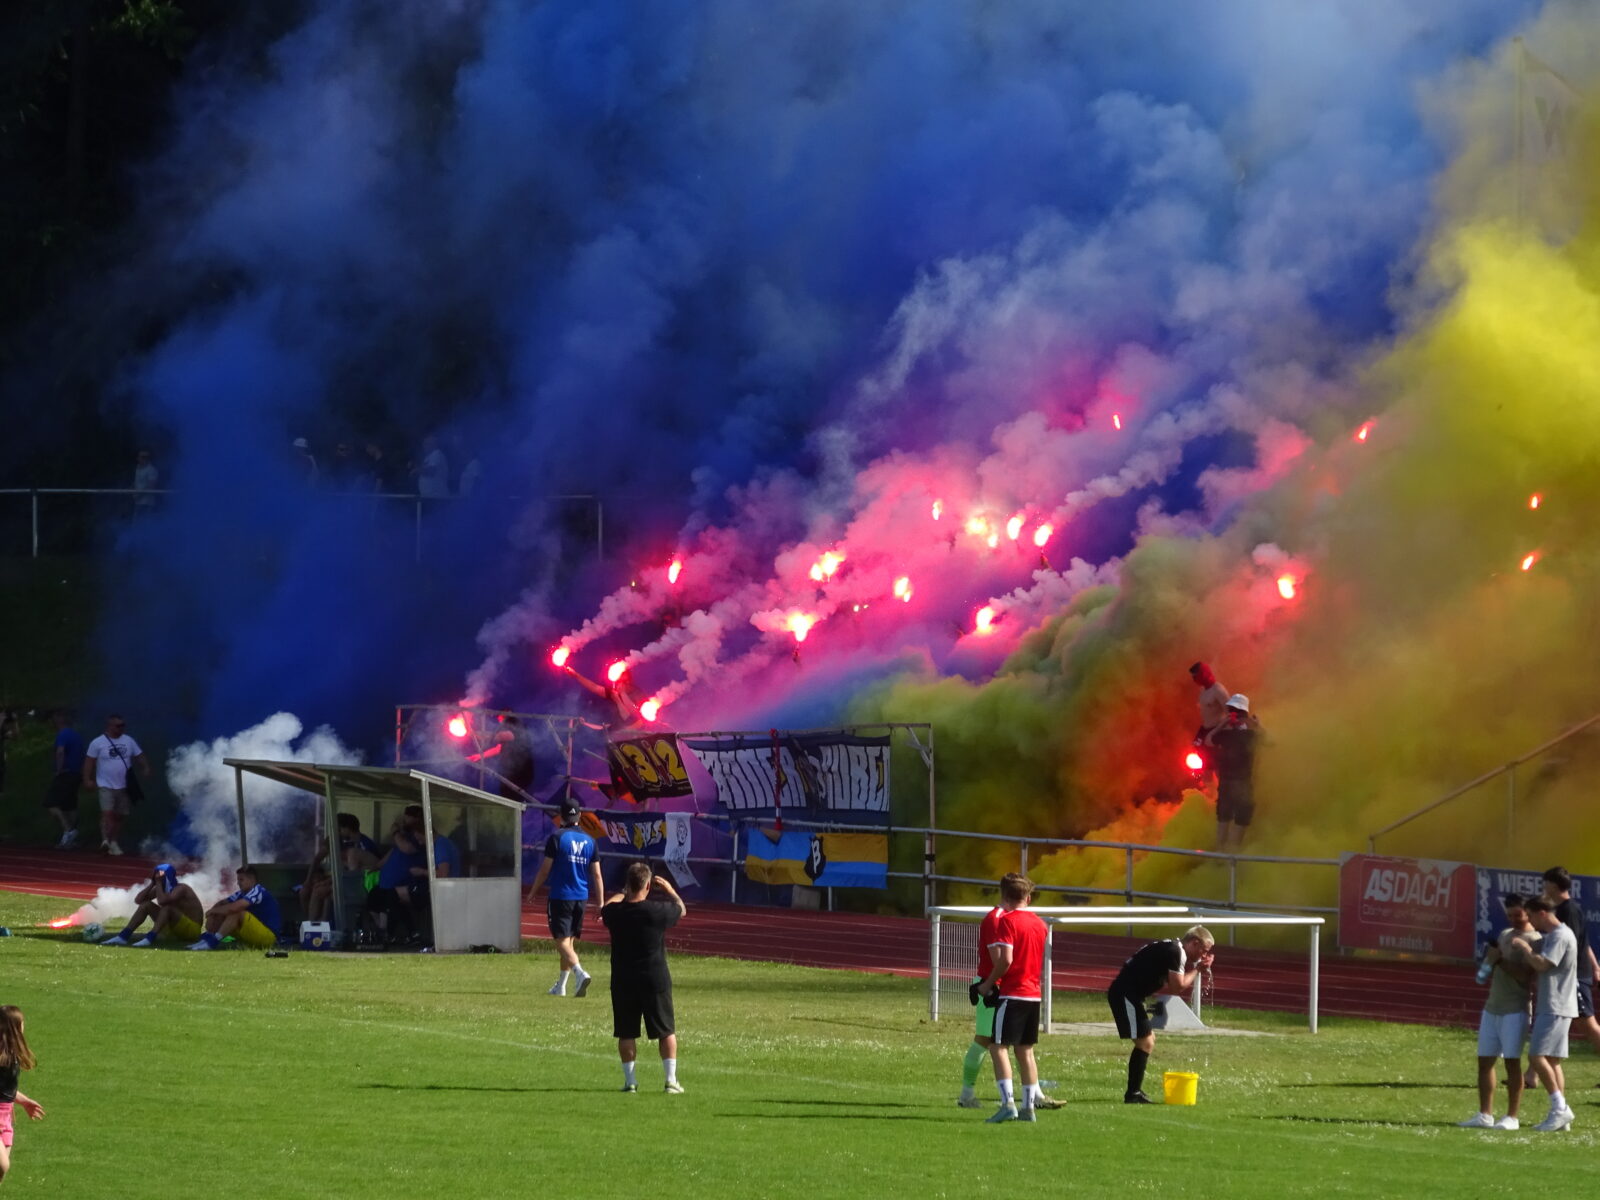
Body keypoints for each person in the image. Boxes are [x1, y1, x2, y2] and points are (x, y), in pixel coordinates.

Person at [601, 862, 686, 1093]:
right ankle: (670, 1080)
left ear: (629, 884)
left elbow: (605, 907)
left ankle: (630, 1082)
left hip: (623, 979)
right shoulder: (656, 911)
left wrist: (622, 892)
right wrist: (669, 890)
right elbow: (681, 908)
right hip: (654, 978)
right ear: (648, 885)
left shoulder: (615, 913)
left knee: (626, 1031)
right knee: (665, 1030)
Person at [973, 873, 1050, 1123]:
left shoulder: (1007, 921)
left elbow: (1005, 959)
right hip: (1034, 994)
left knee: (998, 1047)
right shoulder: (1040, 923)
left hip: (1013, 992)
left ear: (1004, 895)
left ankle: (1008, 1104)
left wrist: (986, 985)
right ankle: (1028, 1108)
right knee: (1025, 1051)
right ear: (1028, 897)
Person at [1107, 925, 1215, 1103]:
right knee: (1146, 1041)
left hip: (1129, 994)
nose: (1204, 955)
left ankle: (1134, 1092)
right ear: (1195, 943)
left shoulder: (1171, 947)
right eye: (1204, 950)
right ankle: (1132, 1093)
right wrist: (1198, 970)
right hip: (1126, 994)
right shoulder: (1176, 951)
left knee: (1148, 1041)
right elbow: (1177, 987)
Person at [1459, 893, 1539, 1130]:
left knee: (1512, 1063)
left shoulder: (1534, 940)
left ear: (1528, 913)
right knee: (1484, 1062)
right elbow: (1483, 974)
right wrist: (1489, 962)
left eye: (1519, 915)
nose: (1514, 919)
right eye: (1510, 915)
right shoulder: (1504, 935)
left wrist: (1499, 961)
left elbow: (1526, 976)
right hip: (1492, 1007)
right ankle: (1485, 1114)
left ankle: (1512, 1117)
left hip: (1515, 1009)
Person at [1509, 896, 1578, 1131]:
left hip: (1555, 1005)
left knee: (1537, 1057)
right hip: (1557, 1005)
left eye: (1530, 916)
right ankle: (1560, 1117)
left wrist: (1526, 948)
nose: (1530, 922)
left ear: (1541, 913)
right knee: (1553, 1061)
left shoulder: (1560, 935)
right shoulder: (1556, 935)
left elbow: (1542, 965)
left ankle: (1560, 1109)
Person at [527, 799, 604, 997]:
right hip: (581, 896)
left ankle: (580, 973)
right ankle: (561, 986)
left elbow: (545, 870)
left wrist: (534, 890)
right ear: (579, 816)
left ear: (561, 817)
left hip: (561, 895)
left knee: (560, 942)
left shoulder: (557, 838)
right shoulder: (590, 841)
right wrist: (601, 903)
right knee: (569, 942)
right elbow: (597, 875)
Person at [1541, 867, 1600, 1059]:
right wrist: (1596, 967)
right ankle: (1532, 1075)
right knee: (1553, 1021)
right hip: (1569, 976)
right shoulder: (1562, 909)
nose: (1543, 886)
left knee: (1588, 1026)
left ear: (1553, 885)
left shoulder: (1569, 910)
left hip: (1574, 977)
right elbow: (1585, 943)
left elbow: (1574, 945)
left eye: (1546, 882)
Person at [82, 714, 150, 856]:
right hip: (105, 784)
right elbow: (89, 761)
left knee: (120, 815)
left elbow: (139, 755)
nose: (121, 728)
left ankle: (113, 841)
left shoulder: (129, 740)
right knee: (108, 813)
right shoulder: (97, 743)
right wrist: (87, 779)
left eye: (123, 725)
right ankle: (105, 840)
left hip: (124, 785)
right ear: (109, 726)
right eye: (118, 726)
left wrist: (145, 767)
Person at [98, 863, 205, 948]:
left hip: (192, 931)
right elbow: (138, 900)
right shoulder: (160, 888)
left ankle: (150, 938)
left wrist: (158, 883)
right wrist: (152, 883)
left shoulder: (181, 888)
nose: (158, 877)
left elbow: (162, 902)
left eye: (160, 875)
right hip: (175, 930)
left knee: (167, 908)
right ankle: (123, 937)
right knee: (146, 905)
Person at [303, 813, 381, 924]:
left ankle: (315, 925)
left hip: (368, 885)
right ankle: (316, 924)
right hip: (357, 883)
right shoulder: (347, 850)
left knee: (320, 891)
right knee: (321, 890)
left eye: (339, 828)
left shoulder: (356, 851)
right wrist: (324, 882)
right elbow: (345, 873)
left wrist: (328, 883)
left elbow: (351, 878)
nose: (338, 831)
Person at [1206, 694, 1259, 850]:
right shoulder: (1251, 735)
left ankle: (1221, 861)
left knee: (1225, 820)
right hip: (1241, 785)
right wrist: (1257, 725)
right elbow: (1270, 741)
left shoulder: (1228, 735)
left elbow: (1209, 739)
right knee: (1238, 820)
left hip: (1229, 785)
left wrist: (1222, 724)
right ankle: (1229, 863)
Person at [0, 1006, 45, 1186]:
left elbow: (5, 1089)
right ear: (16, 1027)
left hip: (5, 1118)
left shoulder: (12, 1055)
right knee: (2, 1165)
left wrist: (24, 1101)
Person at [188, 864, 282, 950]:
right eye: (238, 880)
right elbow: (222, 904)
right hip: (253, 934)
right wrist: (213, 912)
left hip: (269, 937)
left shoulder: (258, 890)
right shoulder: (241, 893)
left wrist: (213, 911)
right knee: (222, 910)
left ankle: (212, 942)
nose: (238, 883)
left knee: (237, 912)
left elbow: (234, 908)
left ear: (252, 880)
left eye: (241, 880)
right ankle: (207, 940)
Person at [43, 710, 84, 848]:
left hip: (65, 773)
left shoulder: (63, 734)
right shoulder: (77, 735)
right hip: (76, 773)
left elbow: (60, 751)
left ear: (58, 719)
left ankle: (69, 830)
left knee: (50, 803)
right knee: (69, 805)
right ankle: (70, 838)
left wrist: (59, 770)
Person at [1188, 661, 1231, 743]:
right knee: (1195, 747)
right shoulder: (1203, 690)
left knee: (1210, 754)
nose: (1194, 680)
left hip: (1217, 730)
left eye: (1195, 677)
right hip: (1205, 729)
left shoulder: (1218, 690)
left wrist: (1218, 731)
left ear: (1203, 674)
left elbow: (1230, 714)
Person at [132, 448, 159, 513]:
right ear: (137, 458)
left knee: (146, 522)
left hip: (147, 504)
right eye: (142, 457)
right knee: (137, 522)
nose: (145, 459)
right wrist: (132, 491)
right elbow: (136, 482)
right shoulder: (138, 468)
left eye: (146, 457)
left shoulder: (151, 470)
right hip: (138, 502)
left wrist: (139, 495)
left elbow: (151, 486)